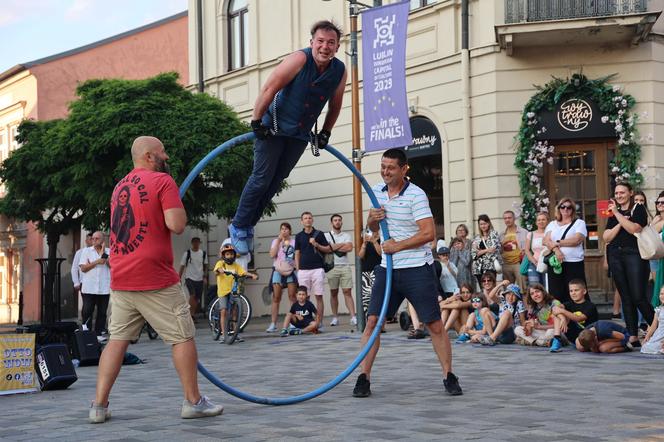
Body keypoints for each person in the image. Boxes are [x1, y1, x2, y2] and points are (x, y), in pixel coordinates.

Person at [91, 136, 224, 424]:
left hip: (122, 275)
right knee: (182, 336)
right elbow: (176, 225)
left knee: (117, 340)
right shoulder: (163, 183)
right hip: (155, 277)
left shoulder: (119, 187)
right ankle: (193, 401)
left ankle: (98, 406)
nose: (168, 157)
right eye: (163, 152)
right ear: (150, 156)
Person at [229, 20, 347, 255]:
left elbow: (335, 104)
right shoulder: (299, 59)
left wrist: (326, 131)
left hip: (300, 133)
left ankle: (248, 224)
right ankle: (239, 225)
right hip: (272, 127)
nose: (325, 47)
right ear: (312, 42)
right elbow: (269, 88)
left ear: (337, 47)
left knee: (277, 179)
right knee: (262, 177)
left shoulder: (339, 71)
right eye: (321, 41)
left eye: (330, 43)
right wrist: (256, 120)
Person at [352, 148, 462, 398]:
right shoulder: (377, 192)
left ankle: (448, 375)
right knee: (372, 322)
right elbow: (372, 229)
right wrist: (371, 220)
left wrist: (397, 246)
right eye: (383, 166)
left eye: (391, 167)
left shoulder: (416, 195)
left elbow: (428, 233)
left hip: (416, 268)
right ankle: (363, 377)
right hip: (387, 269)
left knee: (434, 324)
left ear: (404, 169)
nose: (385, 172)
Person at [603, 182, 654, 347]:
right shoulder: (614, 213)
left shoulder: (638, 209)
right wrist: (619, 219)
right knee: (625, 296)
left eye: (622, 192)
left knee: (638, 296)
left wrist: (618, 214)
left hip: (634, 255)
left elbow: (634, 229)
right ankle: (633, 335)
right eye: (616, 193)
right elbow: (606, 237)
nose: (619, 195)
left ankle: (658, 326)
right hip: (615, 255)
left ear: (630, 193)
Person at [542, 197, 587, 303]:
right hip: (555, 263)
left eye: (569, 207)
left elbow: (577, 240)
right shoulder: (552, 224)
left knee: (575, 292)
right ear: (559, 208)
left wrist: (557, 243)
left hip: (573, 263)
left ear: (573, 210)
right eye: (562, 206)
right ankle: (560, 317)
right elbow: (546, 241)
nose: (565, 209)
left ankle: (577, 317)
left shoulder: (579, 223)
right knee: (556, 293)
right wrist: (556, 251)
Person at [213, 244, 259, 342]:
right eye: (227, 254)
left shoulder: (236, 266)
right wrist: (220, 271)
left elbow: (243, 272)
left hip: (233, 290)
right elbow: (217, 270)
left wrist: (252, 275)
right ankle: (223, 334)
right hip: (223, 291)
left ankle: (235, 333)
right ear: (224, 256)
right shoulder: (221, 263)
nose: (229, 256)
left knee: (235, 312)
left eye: (231, 254)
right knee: (224, 311)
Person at [294, 211, 331, 329]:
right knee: (305, 297)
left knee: (318, 296)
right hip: (303, 270)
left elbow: (327, 249)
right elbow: (297, 253)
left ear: (312, 220)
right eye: (305, 218)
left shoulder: (319, 234)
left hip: (317, 268)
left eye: (309, 218)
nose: (308, 220)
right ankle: (307, 322)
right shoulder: (298, 236)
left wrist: (316, 244)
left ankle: (319, 322)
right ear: (302, 221)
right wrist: (298, 269)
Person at [325, 214, 357, 326]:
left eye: (339, 220)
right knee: (333, 292)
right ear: (331, 223)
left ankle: (353, 316)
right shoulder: (326, 236)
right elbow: (327, 249)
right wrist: (341, 244)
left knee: (347, 292)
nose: (337, 222)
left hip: (345, 267)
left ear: (341, 223)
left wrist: (334, 246)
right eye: (335, 220)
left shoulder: (346, 235)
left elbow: (349, 248)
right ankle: (335, 317)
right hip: (332, 267)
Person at [266, 222, 298, 333]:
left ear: (290, 231)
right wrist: (279, 241)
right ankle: (273, 323)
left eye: (286, 229)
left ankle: (293, 323)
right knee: (276, 297)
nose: (284, 231)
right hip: (278, 271)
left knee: (292, 296)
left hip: (290, 270)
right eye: (282, 229)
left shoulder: (294, 242)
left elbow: (296, 256)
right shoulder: (276, 241)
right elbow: (271, 255)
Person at [550, 279, 598, 352]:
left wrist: (563, 311)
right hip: (573, 336)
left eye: (576, 290)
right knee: (557, 314)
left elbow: (579, 318)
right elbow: (555, 309)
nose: (573, 293)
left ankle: (582, 344)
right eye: (571, 291)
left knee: (581, 348)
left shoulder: (590, 306)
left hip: (586, 336)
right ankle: (557, 339)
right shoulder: (568, 304)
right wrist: (562, 318)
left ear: (584, 291)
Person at [79, 231, 111, 340]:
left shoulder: (109, 251)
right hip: (89, 287)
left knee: (102, 312)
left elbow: (111, 265)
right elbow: (83, 268)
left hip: (104, 287)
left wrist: (103, 255)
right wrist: (97, 261)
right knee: (87, 310)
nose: (94, 240)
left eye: (97, 238)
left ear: (103, 240)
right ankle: (86, 333)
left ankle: (98, 333)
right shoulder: (86, 251)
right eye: (93, 238)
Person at [477, 281, 526, 346]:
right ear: (505, 294)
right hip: (498, 331)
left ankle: (492, 338)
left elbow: (523, 321)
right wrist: (501, 284)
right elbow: (491, 296)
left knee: (507, 313)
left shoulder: (519, 303)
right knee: (484, 310)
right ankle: (492, 337)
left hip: (510, 332)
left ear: (517, 297)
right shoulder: (502, 301)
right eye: (508, 294)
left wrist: (521, 336)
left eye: (513, 295)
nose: (510, 297)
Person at [179, 237, 208, 319]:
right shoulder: (187, 253)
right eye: (194, 242)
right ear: (192, 243)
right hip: (189, 278)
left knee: (197, 298)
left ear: (199, 243)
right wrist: (179, 277)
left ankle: (192, 314)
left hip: (199, 278)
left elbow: (205, 266)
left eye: (197, 242)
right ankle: (188, 314)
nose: (196, 244)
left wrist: (205, 277)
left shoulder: (203, 254)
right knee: (192, 294)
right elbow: (182, 266)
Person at [499, 210, 528, 289]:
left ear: (514, 218)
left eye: (509, 218)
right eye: (505, 218)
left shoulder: (524, 232)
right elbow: (499, 250)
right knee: (508, 289)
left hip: (519, 264)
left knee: (523, 288)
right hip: (506, 264)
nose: (507, 220)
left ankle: (524, 302)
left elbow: (528, 248)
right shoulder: (501, 234)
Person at [471, 214, 501, 285]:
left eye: (485, 223)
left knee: (490, 287)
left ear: (488, 223)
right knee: (482, 289)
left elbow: (493, 249)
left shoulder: (493, 234)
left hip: (490, 267)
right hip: (478, 268)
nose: (483, 226)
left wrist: (480, 251)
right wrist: (486, 250)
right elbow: (474, 254)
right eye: (481, 224)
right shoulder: (477, 238)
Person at [359, 229, 381, 321]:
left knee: (379, 297)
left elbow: (381, 253)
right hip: (366, 272)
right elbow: (360, 256)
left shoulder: (382, 239)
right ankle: (369, 322)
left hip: (378, 271)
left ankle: (381, 324)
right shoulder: (366, 242)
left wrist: (375, 242)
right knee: (367, 299)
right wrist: (364, 244)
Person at [524, 212, 549, 286]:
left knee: (547, 287)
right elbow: (527, 250)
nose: (541, 222)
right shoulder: (530, 234)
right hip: (534, 264)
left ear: (547, 221)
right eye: (539, 220)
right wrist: (534, 262)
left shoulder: (551, 233)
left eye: (543, 219)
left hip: (548, 264)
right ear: (536, 222)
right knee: (534, 287)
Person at [72, 233, 93, 318]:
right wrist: (76, 282)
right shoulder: (80, 252)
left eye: (94, 239)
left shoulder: (101, 251)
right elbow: (74, 268)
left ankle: (99, 329)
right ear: (86, 241)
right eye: (90, 239)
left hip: (97, 282)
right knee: (87, 306)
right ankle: (86, 327)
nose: (92, 241)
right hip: (84, 282)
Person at [651, 190, 664, 307]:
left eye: (663, 202)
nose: (660, 204)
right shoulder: (657, 220)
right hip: (655, 260)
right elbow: (646, 238)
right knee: (659, 289)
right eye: (658, 202)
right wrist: (652, 224)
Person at [642, 286, 664, 354]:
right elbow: (653, 326)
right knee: (646, 347)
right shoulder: (659, 309)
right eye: (661, 294)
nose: (662, 296)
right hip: (659, 335)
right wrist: (647, 336)